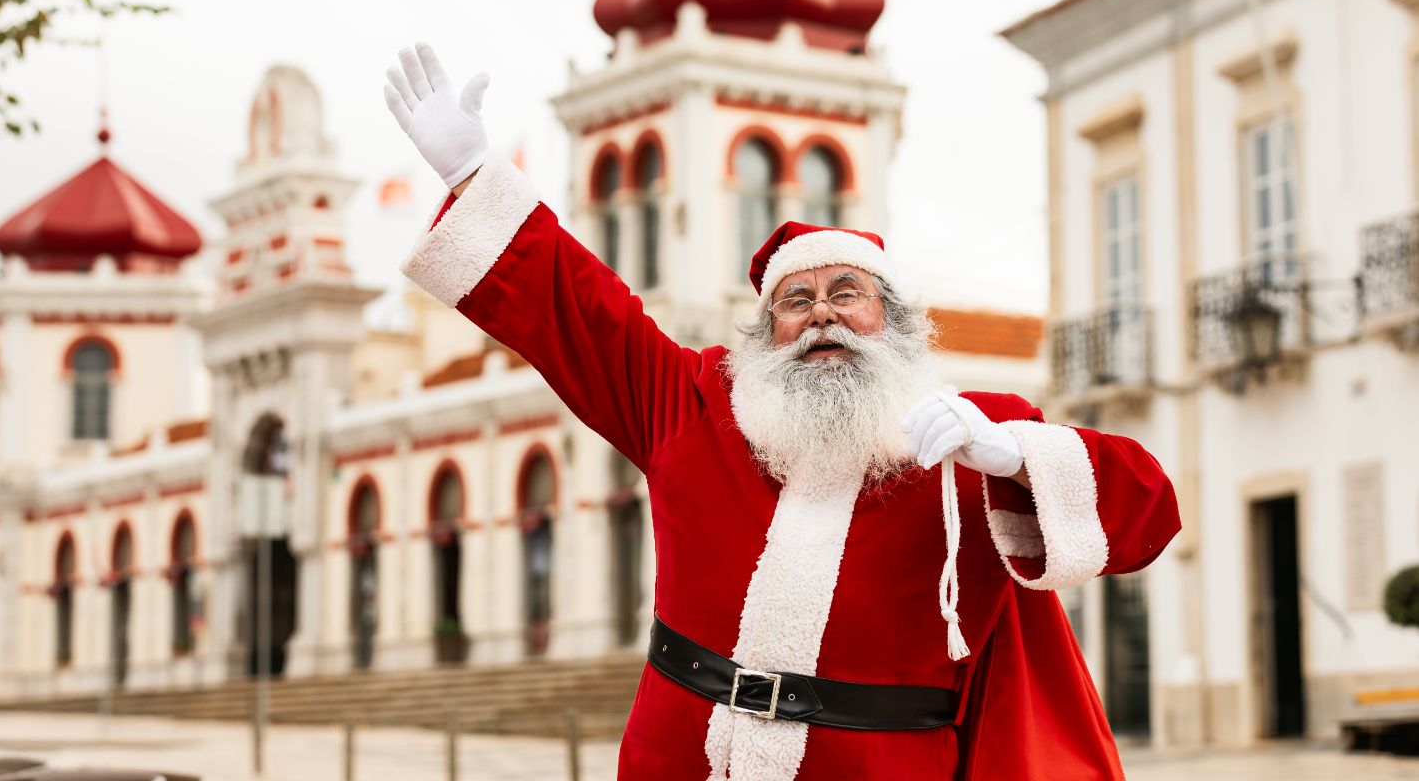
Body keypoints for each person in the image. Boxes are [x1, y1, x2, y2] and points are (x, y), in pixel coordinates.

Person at [383, 44, 1180, 781]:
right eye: (795, 300)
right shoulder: (693, 404)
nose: (822, 313)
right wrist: (474, 173)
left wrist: (1014, 458)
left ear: (895, 321)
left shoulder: (970, 433)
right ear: (765, 334)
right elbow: (581, 311)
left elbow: (1148, 509)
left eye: (847, 293)